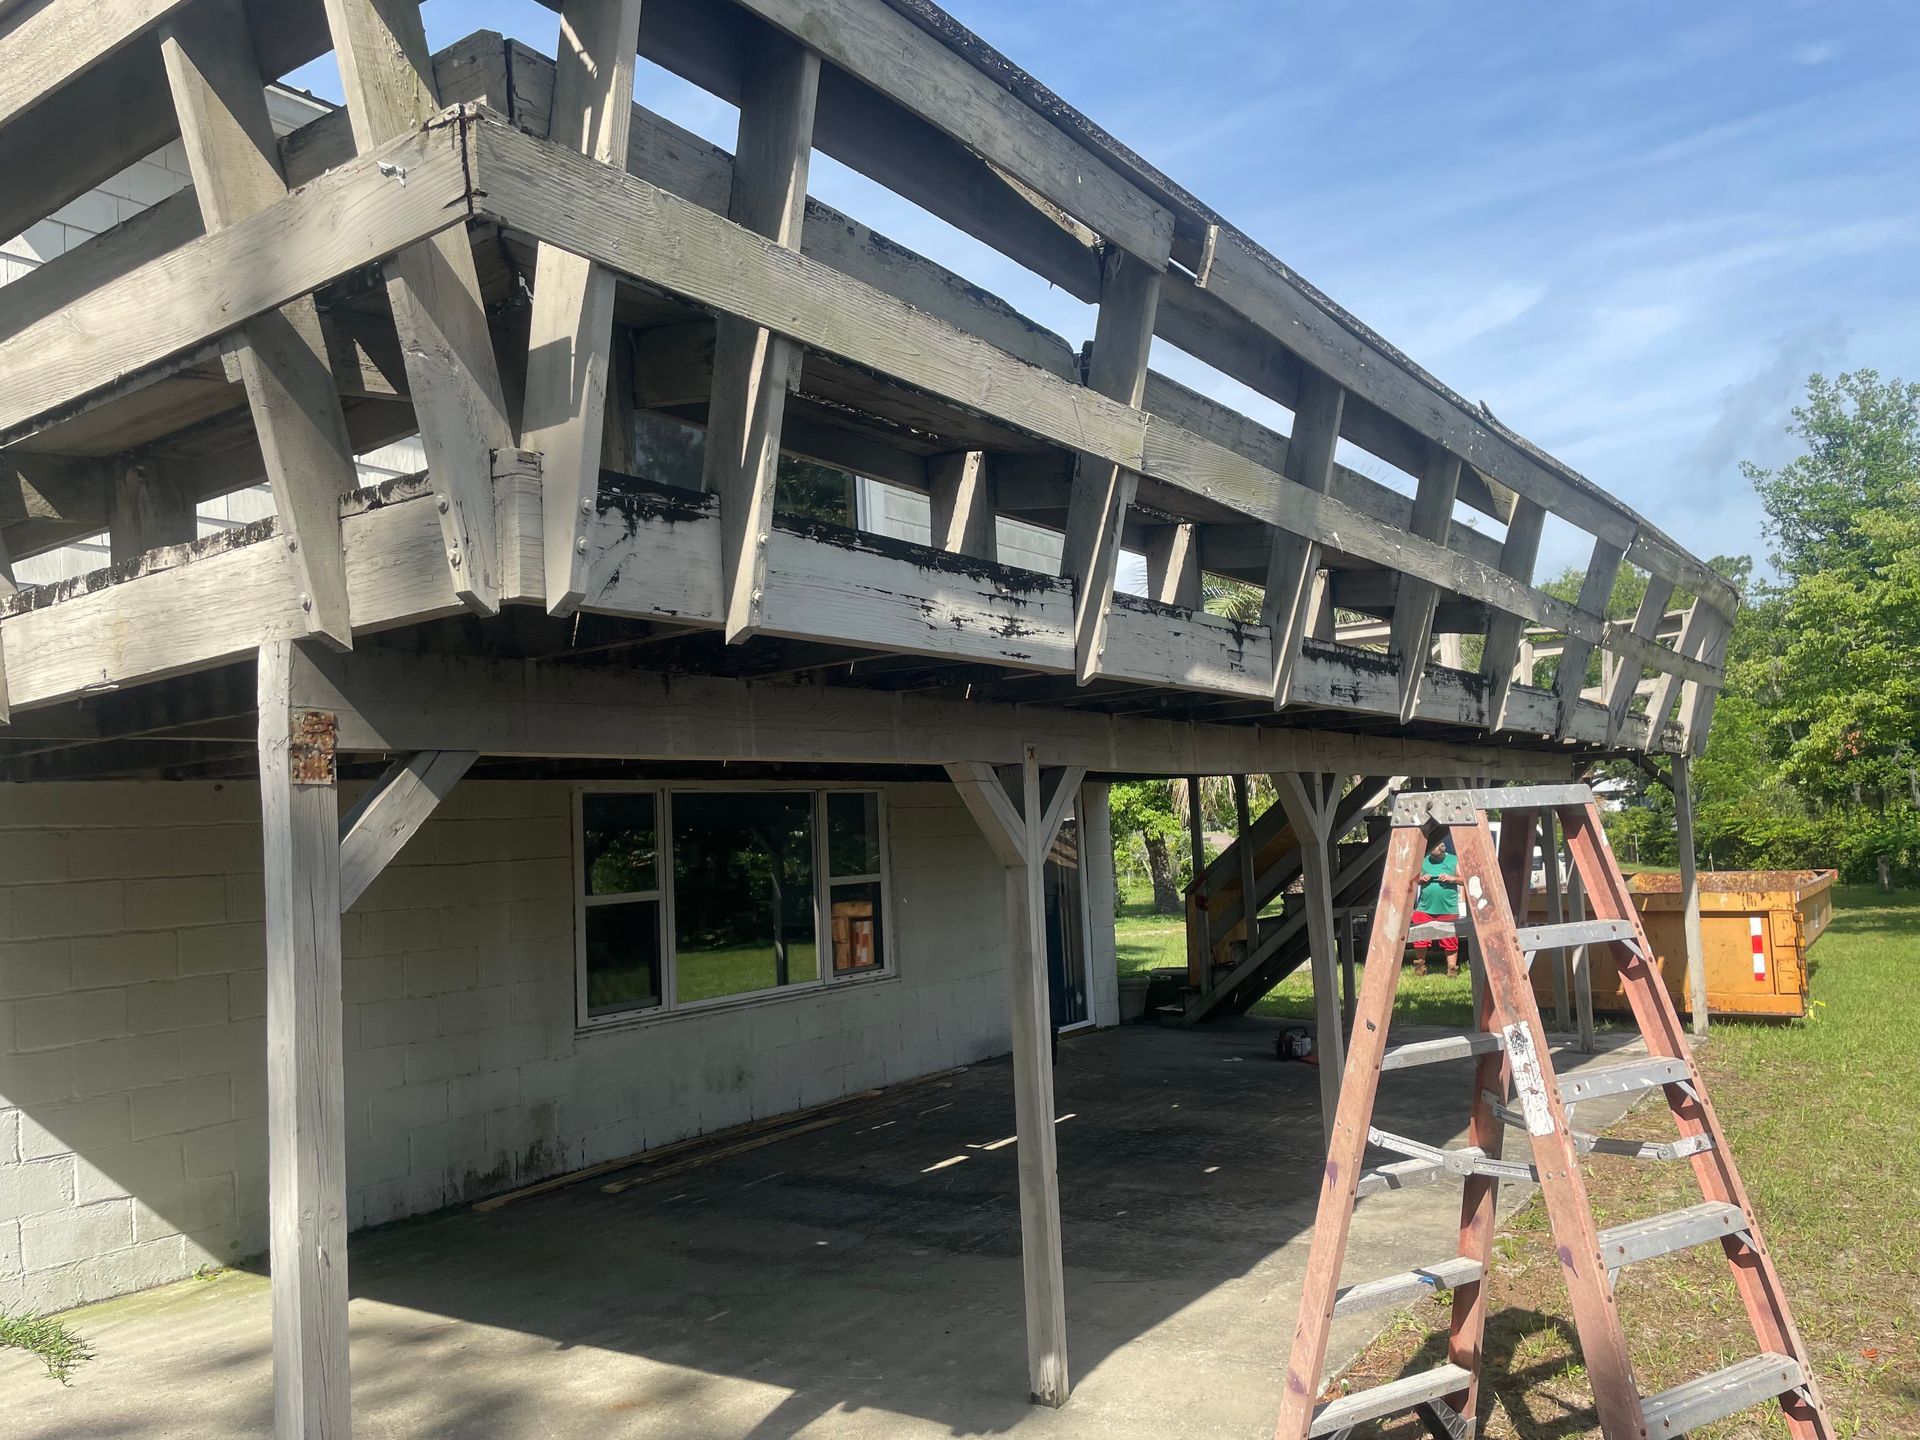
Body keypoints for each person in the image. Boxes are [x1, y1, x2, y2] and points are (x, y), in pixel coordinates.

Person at [1410, 838, 1461, 978]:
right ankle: (1420, 967)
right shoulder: (1423, 860)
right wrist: (1420, 879)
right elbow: (1412, 880)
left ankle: (1452, 970)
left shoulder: (1454, 860)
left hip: (1448, 908)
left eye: (1442, 843)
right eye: (1437, 844)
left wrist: (1453, 879)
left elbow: (1464, 879)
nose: (1441, 845)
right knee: (1419, 936)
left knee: (1450, 938)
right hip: (1424, 908)